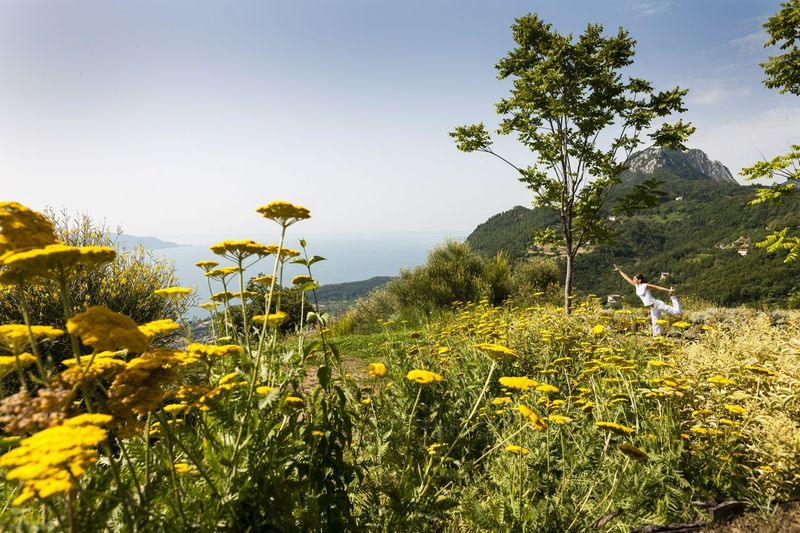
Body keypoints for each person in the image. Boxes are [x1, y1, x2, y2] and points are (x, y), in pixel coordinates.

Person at [613, 264, 682, 337]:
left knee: (677, 312)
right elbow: (627, 278)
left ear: (639, 280)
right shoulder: (637, 286)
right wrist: (620, 271)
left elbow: (656, 287)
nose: (633, 279)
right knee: (655, 323)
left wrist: (668, 290)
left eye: (635, 279)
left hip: (657, 304)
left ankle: (672, 296)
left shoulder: (645, 285)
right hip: (653, 307)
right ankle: (657, 338)